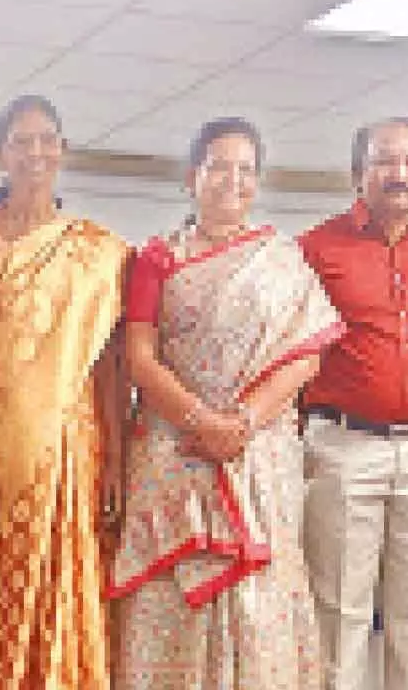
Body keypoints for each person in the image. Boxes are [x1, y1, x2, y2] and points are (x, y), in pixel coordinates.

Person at [110, 117, 344, 689]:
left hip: (258, 454)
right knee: (173, 602)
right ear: (193, 176)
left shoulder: (281, 261)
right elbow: (139, 357)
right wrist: (202, 421)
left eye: (246, 170)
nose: (232, 180)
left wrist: (239, 422)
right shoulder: (158, 258)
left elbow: (304, 359)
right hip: (176, 449)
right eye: (219, 166)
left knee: (260, 596)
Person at [0, 94, 128, 689]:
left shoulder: (100, 253)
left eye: (47, 140)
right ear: (0, 154)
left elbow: (109, 369)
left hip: (74, 455)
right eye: (21, 141)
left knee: (74, 604)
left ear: (63, 151)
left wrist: (116, 460)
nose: (36, 152)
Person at [297, 117, 408, 690]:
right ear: (357, 173)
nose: (400, 175)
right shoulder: (315, 249)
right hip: (345, 449)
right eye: (385, 162)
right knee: (339, 611)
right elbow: (295, 350)